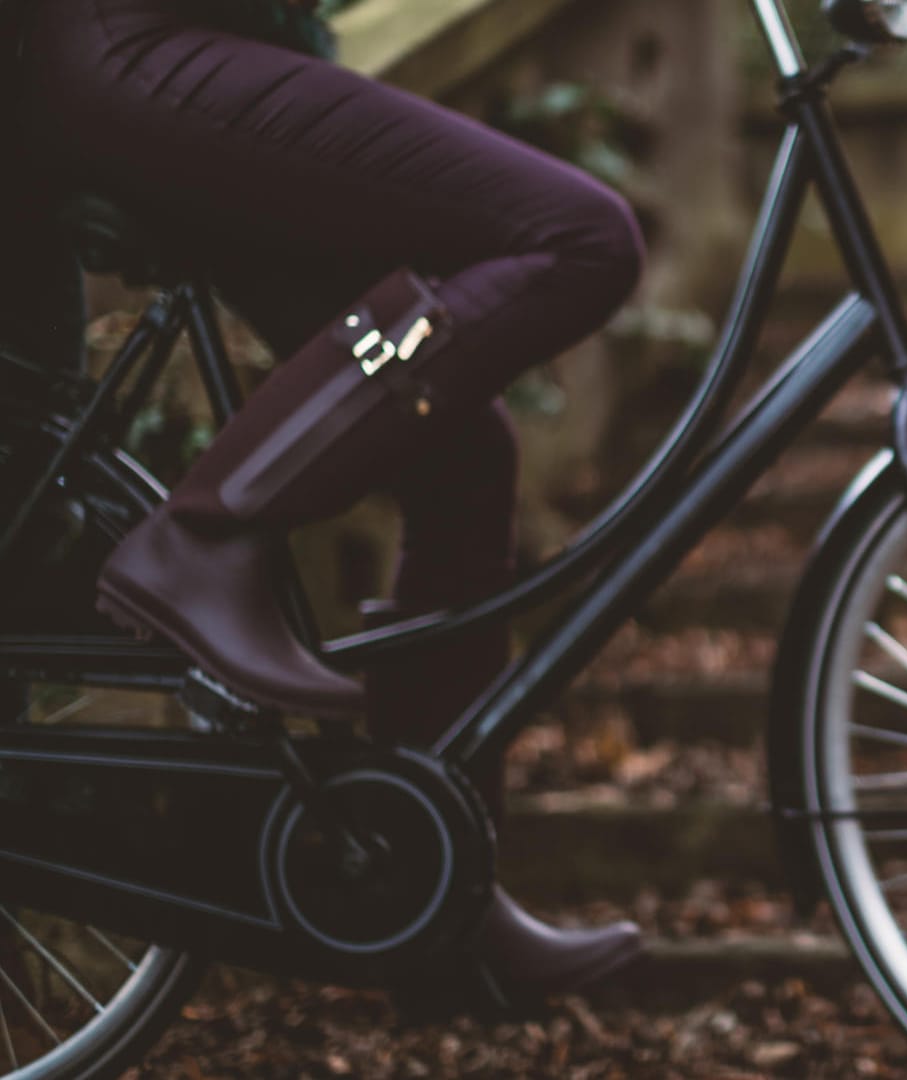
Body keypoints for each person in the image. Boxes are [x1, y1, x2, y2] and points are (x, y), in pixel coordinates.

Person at [1, 0, 647, 1006]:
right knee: (581, 234)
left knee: (460, 449)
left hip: (216, 47)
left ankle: (438, 905)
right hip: (129, 41)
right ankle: (208, 532)